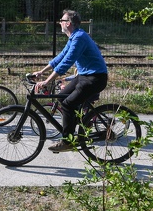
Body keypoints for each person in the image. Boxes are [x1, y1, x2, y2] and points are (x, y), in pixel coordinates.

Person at [32, 9, 108, 152]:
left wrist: (47, 81)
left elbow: (67, 61)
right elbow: (61, 57)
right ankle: (84, 122)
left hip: (95, 78)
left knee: (68, 104)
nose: (59, 23)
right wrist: (41, 72)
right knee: (62, 98)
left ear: (68, 23)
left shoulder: (79, 37)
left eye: (62, 20)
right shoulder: (73, 37)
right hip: (85, 76)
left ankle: (67, 142)